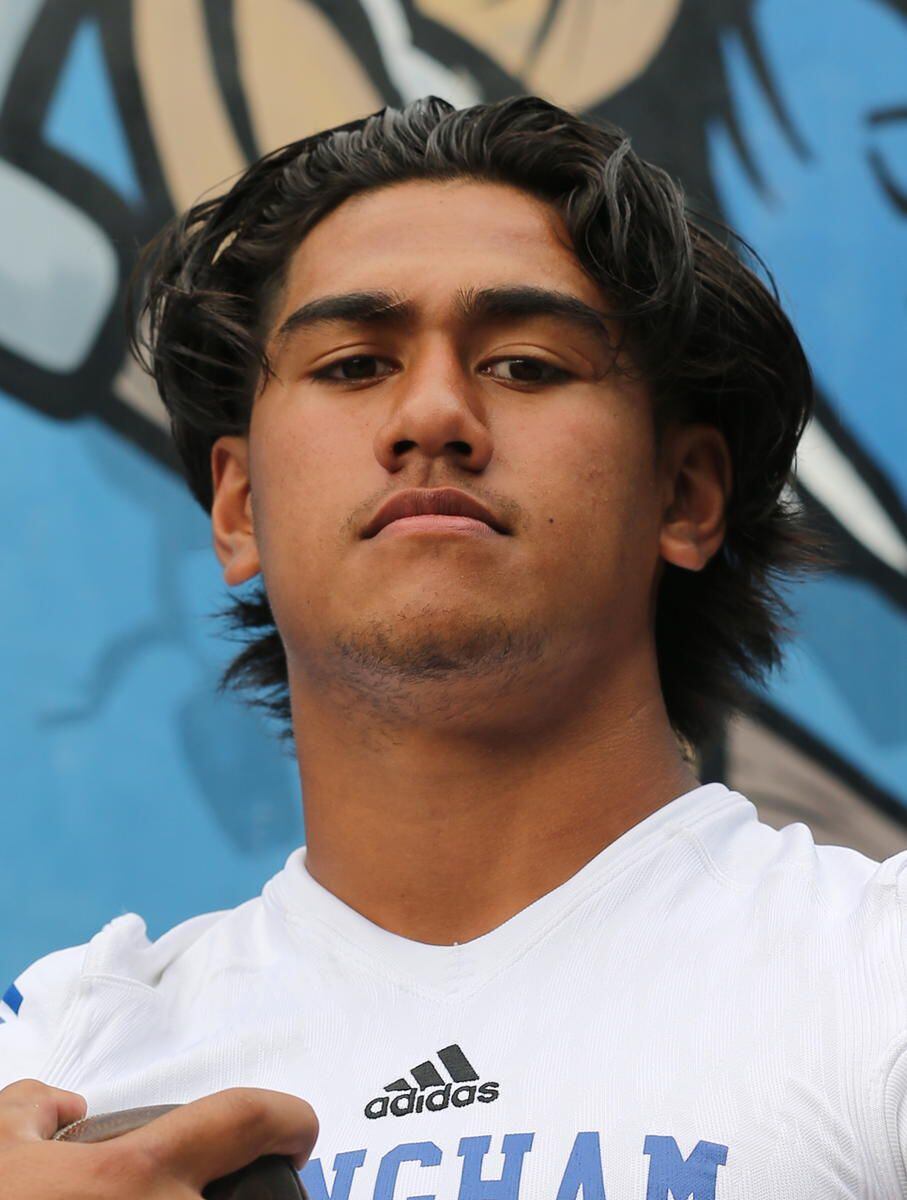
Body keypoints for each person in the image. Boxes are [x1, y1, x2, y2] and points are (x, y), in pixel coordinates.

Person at [1, 94, 903, 1199]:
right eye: (351, 365)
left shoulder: (877, 976)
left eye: (525, 364)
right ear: (237, 507)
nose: (431, 414)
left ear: (683, 495)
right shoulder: (57, 1059)